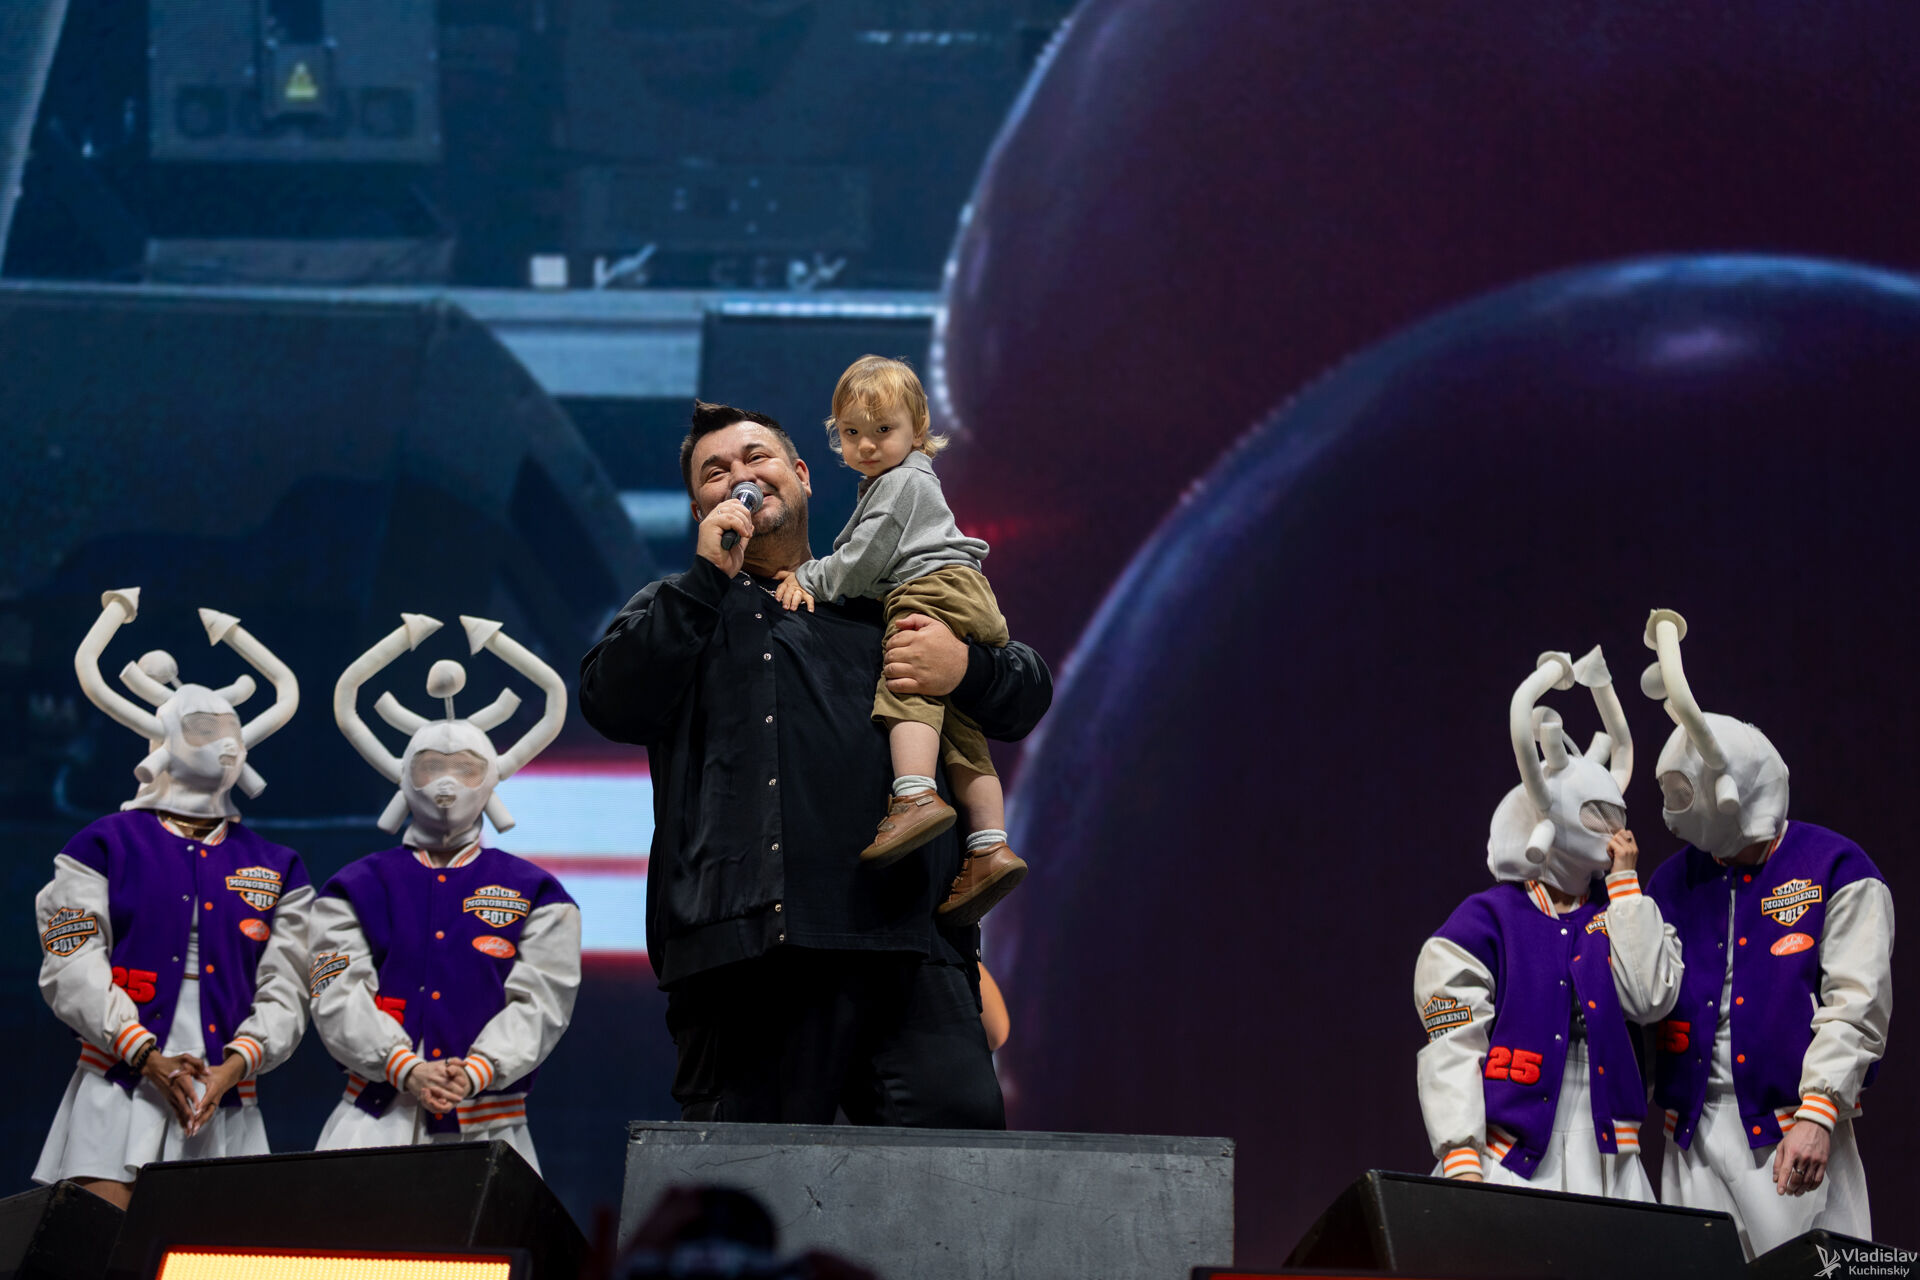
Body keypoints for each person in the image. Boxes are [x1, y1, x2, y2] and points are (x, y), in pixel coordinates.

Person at [579, 400, 1052, 1126]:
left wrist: (965, 668)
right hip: (748, 956)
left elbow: (1025, 694)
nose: (739, 476)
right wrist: (706, 581)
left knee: (955, 1180)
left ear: (800, 476)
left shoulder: (883, 597)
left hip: (912, 953)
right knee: (753, 1182)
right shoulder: (679, 607)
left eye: (756, 457)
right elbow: (612, 701)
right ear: (700, 508)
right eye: (715, 472)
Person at [35, 589, 308, 1207]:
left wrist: (236, 1065)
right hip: (117, 1089)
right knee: (101, 1246)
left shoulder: (280, 867)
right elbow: (71, 965)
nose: (224, 744)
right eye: (205, 730)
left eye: (231, 731)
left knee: (216, 1254)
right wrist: (144, 1053)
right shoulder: (101, 845)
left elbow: (289, 987)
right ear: (165, 739)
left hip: (227, 1098)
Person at [1638, 609, 1891, 1259]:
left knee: (1816, 1274)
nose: (1673, 811)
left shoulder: (1835, 867)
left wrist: (1819, 1113)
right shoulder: (1671, 881)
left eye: (1685, 792)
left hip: (1791, 1130)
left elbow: (1856, 1002)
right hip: (1691, 1136)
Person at [311, 612, 581, 1172]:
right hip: (370, 1127)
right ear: (404, 774)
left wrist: (478, 1069)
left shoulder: (541, 895)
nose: (447, 783)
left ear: (493, 777)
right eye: (431, 766)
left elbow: (543, 1003)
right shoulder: (352, 889)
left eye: (465, 768)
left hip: (491, 1129)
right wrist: (404, 1066)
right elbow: (335, 995)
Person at [1415, 646, 1682, 1196]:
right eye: (1596, 816)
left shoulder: (1623, 912)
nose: (1613, 831)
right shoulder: (1485, 922)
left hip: (1611, 1160)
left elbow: (1649, 998)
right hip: (1508, 1157)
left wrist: (1626, 890)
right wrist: (1461, 1154)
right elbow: (1453, 1043)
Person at [772, 356, 1023, 926]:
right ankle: (989, 846)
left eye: (883, 429)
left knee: (907, 681)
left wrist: (808, 577)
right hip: (963, 591)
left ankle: (912, 796)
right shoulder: (906, 480)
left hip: (931, 589)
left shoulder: (899, 483)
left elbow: (862, 562)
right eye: (852, 432)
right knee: (958, 728)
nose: (866, 445)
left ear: (918, 426)